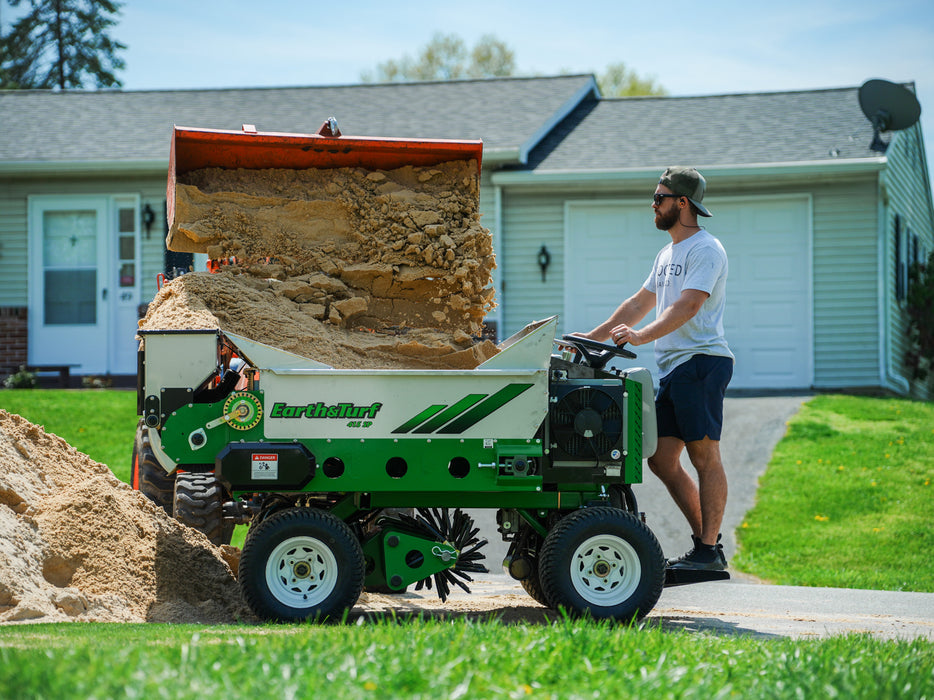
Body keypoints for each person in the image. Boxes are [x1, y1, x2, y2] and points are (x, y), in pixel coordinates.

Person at [577, 166, 734, 571]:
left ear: (683, 203)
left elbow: (689, 305)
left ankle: (708, 551)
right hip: (675, 367)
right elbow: (636, 305)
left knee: (705, 456)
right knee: (662, 460)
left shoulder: (706, 249)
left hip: (701, 362)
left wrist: (642, 337)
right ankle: (708, 549)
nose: (653, 204)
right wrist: (590, 339)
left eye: (659, 197)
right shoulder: (667, 254)